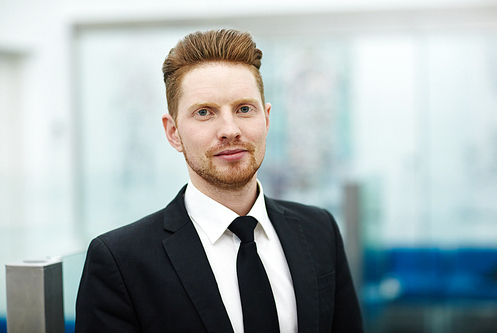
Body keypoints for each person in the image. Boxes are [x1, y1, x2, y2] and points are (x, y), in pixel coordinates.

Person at [75, 29, 364, 333]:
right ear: (173, 132)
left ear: (265, 119)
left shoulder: (319, 230)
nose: (230, 130)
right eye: (204, 112)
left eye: (244, 109)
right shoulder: (121, 261)